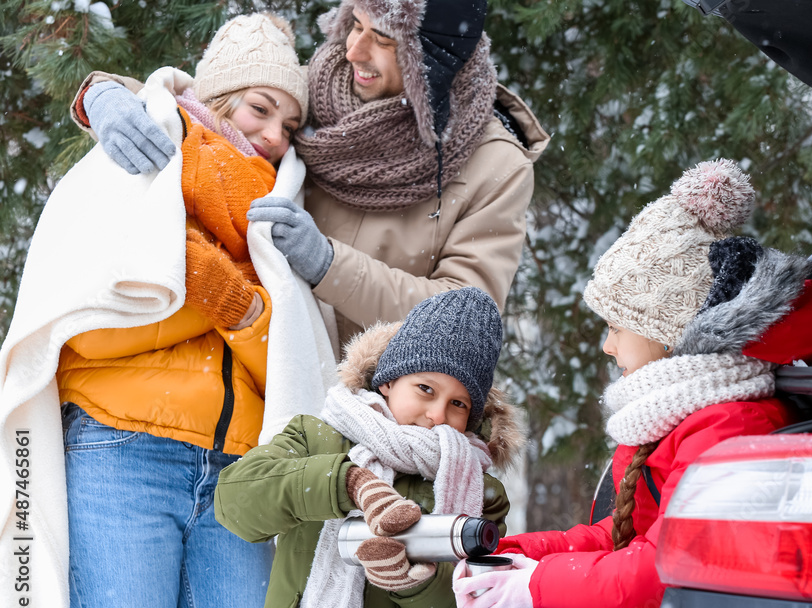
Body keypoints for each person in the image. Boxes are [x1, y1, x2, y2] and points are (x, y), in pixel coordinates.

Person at [448, 159, 812, 608]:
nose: (607, 345)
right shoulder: (686, 412)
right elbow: (622, 539)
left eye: (617, 326)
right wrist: (519, 556)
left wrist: (534, 586)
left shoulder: (729, 428)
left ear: (666, 329)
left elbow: (657, 573)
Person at [54, 14, 310, 608]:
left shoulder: (281, 210)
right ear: (220, 96)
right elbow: (81, 332)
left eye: (291, 123)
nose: (275, 135)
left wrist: (236, 303)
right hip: (121, 449)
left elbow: (286, 361)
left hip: (235, 471)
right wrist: (204, 296)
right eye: (261, 107)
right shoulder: (143, 151)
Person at [72, 0, 550, 348]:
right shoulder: (316, 94)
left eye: (382, 39)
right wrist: (110, 96)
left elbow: (464, 317)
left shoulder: (494, 164)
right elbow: (213, 110)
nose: (353, 51)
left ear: (433, 61)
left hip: (375, 421)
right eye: (355, 25)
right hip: (262, 382)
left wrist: (328, 264)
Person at [213, 286, 524, 608]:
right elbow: (234, 504)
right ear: (389, 380)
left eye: (458, 404)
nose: (438, 415)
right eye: (426, 389)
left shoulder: (482, 492)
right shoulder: (317, 438)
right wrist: (344, 483)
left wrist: (415, 583)